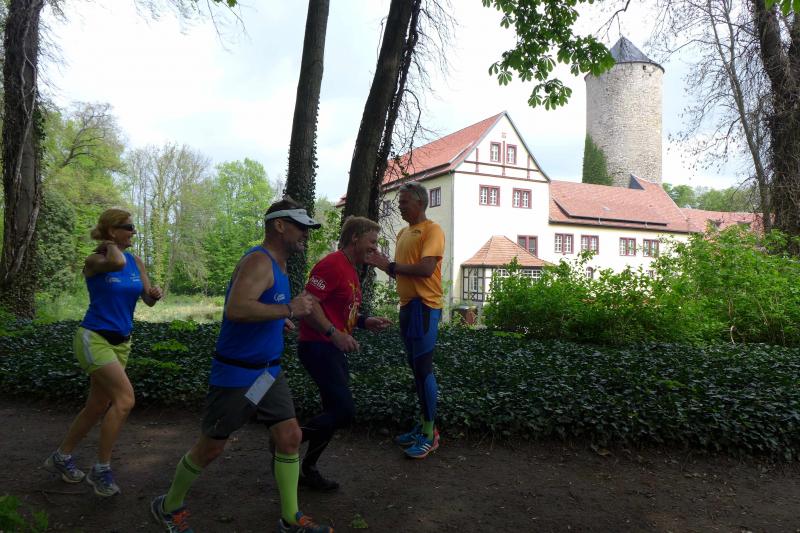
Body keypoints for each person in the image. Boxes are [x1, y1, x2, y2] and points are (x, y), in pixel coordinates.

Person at [150, 198, 333, 533]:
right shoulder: (258, 262)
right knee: (211, 447)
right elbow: (236, 309)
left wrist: (277, 320)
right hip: (237, 373)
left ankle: (290, 518)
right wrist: (288, 311)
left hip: (268, 373)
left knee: (290, 437)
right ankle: (168, 505)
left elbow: (262, 306)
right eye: (300, 227)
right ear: (280, 225)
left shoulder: (279, 266)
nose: (306, 234)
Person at [44, 208, 163, 497]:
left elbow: (147, 299)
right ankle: (101, 470)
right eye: (128, 227)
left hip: (122, 342)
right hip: (94, 338)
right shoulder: (95, 260)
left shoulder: (136, 261)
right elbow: (116, 262)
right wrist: (110, 245)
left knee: (98, 405)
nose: (134, 232)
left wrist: (154, 294)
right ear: (112, 231)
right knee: (125, 400)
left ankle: (61, 457)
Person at [297, 216, 392, 491]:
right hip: (317, 347)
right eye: (371, 241)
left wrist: (364, 321)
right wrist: (334, 334)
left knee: (334, 411)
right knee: (343, 411)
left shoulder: (350, 269)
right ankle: (289, 439)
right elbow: (308, 302)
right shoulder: (332, 264)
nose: (375, 248)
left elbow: (340, 310)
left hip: (330, 348)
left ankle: (309, 469)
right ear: (355, 238)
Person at [366, 182, 445, 459]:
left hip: (425, 307)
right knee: (416, 369)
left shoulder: (432, 230)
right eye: (399, 202)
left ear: (420, 203)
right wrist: (384, 265)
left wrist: (389, 265)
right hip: (407, 307)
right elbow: (400, 273)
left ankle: (430, 435)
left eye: (404, 202)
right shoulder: (402, 233)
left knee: (423, 369)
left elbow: (426, 269)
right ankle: (423, 426)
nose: (399, 206)